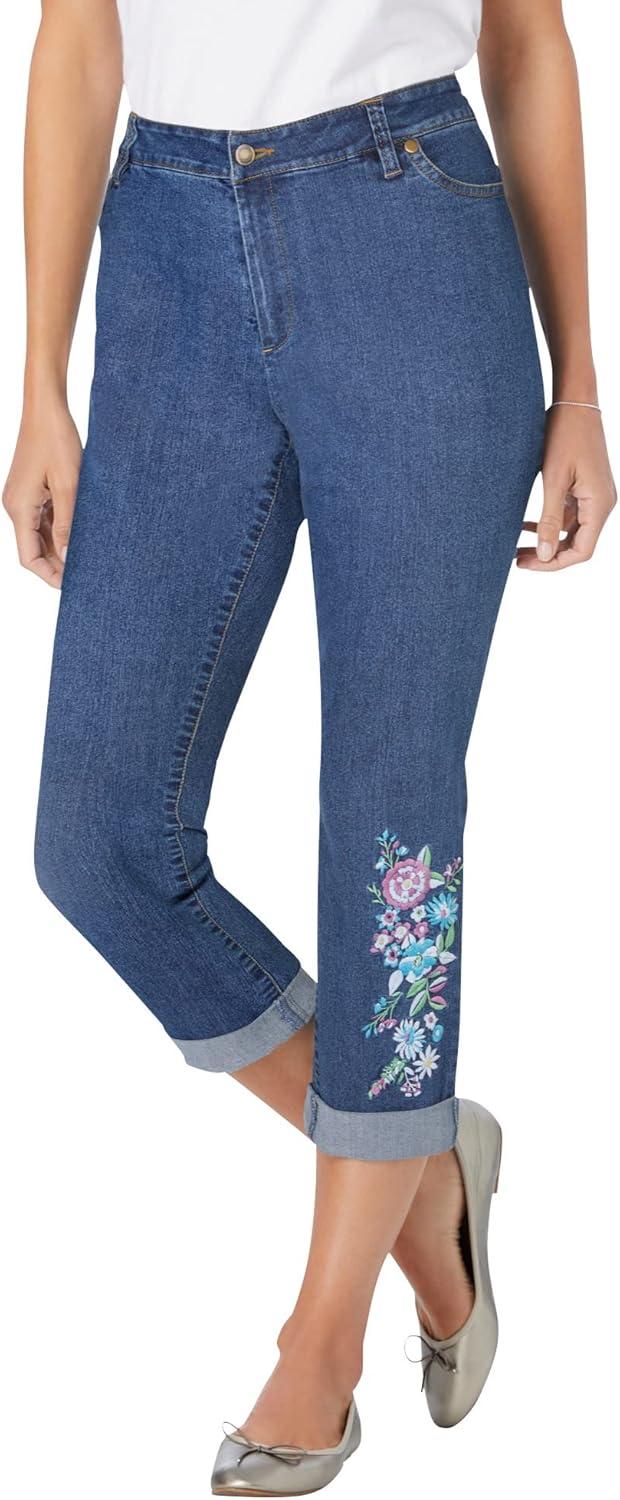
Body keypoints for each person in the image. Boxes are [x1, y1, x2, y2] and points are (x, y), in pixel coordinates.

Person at [3, 2, 615, 1494]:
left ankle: (320, 1341)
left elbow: (528, 39)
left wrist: (581, 382)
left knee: (391, 831)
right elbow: (77, 41)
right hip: (165, 249)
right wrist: (40, 380)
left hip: (409, 235)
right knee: (100, 839)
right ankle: (418, 1165)